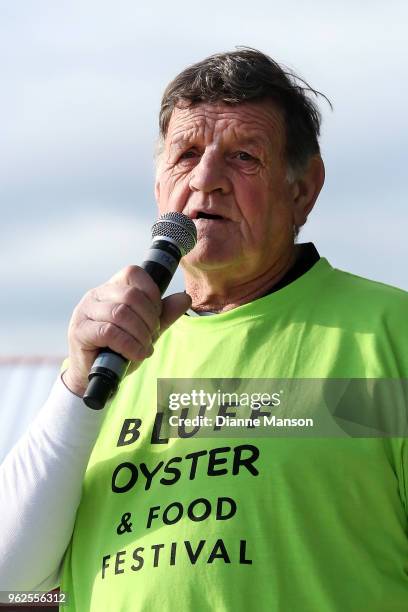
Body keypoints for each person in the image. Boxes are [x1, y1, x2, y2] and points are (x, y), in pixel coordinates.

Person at [1, 48, 408, 612]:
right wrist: (75, 386)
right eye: (186, 154)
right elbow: (10, 575)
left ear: (303, 189)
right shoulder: (112, 362)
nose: (206, 179)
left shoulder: (389, 335)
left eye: (243, 156)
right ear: (158, 186)